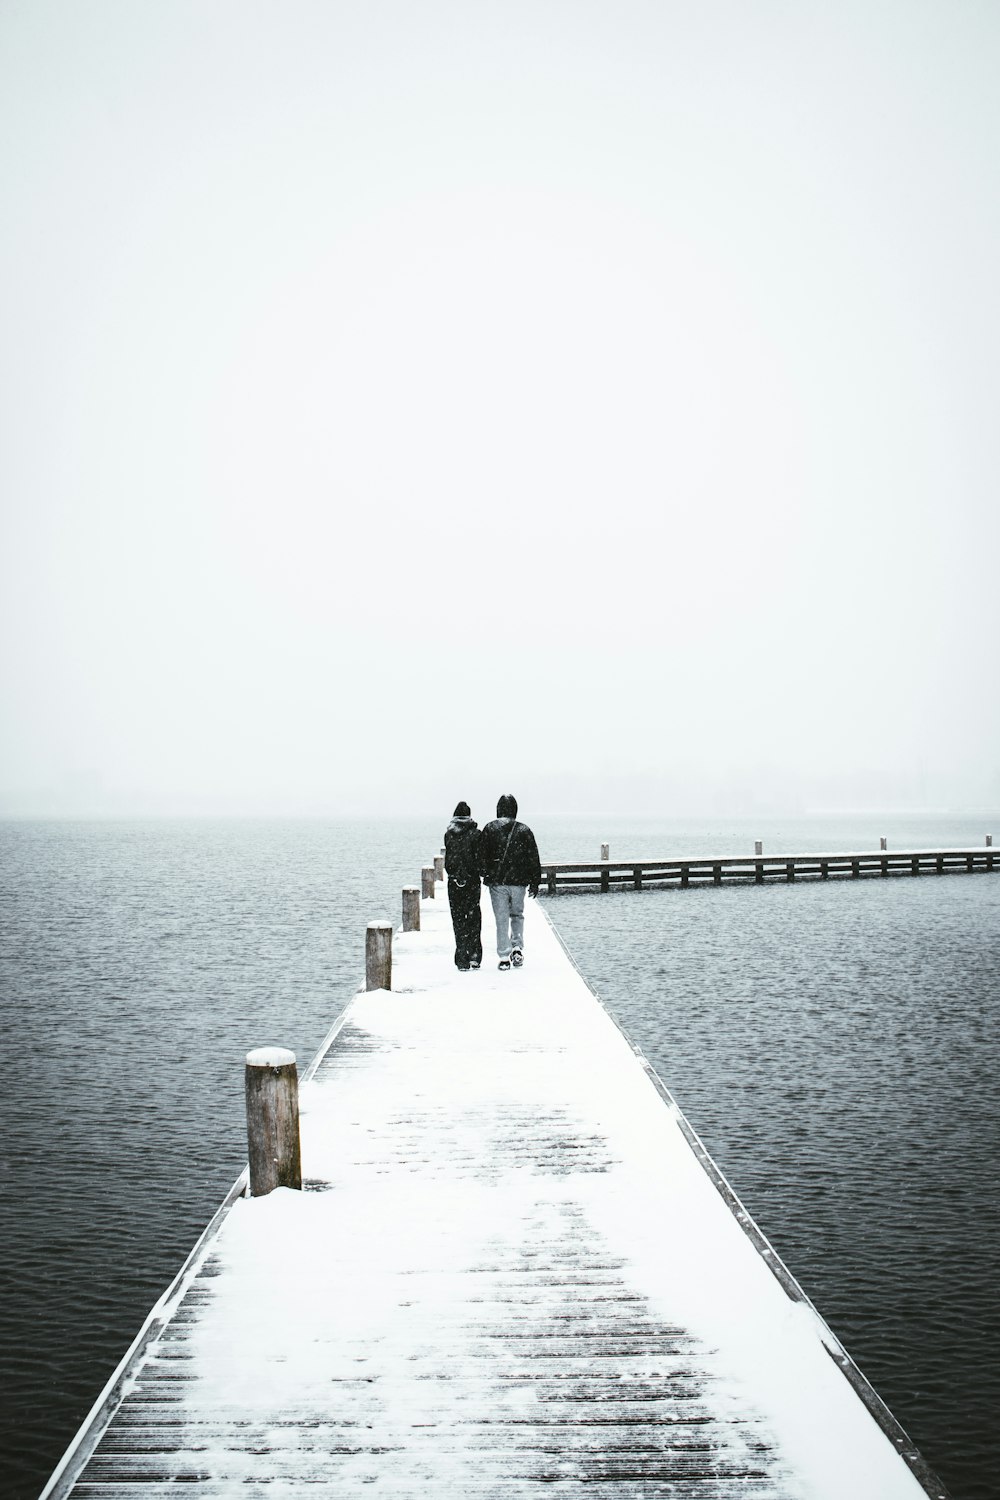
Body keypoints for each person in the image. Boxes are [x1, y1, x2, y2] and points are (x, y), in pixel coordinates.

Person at [478, 794, 542, 971]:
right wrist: (535, 881)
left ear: (498, 809)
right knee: (517, 914)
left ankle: (504, 956)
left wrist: (486, 873)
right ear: (515, 810)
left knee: (501, 919)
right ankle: (517, 946)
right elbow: (533, 858)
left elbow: (481, 856)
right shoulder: (524, 830)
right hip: (519, 881)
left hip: (498, 882)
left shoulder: (490, 828)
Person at [443, 801, 482, 971]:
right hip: (472, 881)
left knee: (458, 919)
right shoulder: (476, 834)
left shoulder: (448, 834)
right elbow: (480, 859)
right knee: (473, 917)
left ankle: (461, 957)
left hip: (453, 882)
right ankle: (475, 956)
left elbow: (449, 860)